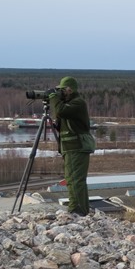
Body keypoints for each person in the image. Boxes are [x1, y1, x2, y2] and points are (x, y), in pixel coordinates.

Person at [49, 76, 94, 216]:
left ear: (70, 89)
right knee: (73, 180)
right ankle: (81, 210)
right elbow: (62, 118)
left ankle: (76, 210)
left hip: (77, 147)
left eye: (62, 90)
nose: (60, 93)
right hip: (71, 147)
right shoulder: (69, 104)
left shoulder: (78, 103)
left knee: (75, 180)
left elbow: (61, 111)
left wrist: (54, 98)